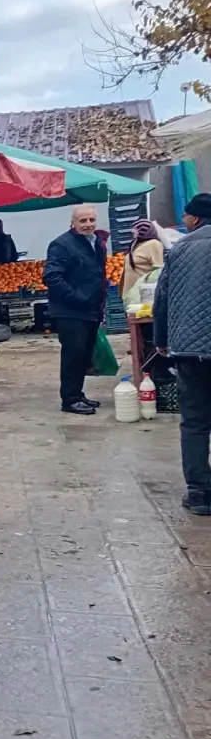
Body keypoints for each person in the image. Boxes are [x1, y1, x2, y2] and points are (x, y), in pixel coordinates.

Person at [154, 193, 211, 515]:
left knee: (195, 422)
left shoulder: (180, 249)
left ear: (194, 218)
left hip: (190, 351)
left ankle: (200, 493)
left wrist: (162, 341)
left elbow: (161, 299)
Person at [43, 205, 107, 415]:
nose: (88, 224)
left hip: (90, 309)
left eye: (91, 220)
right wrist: (76, 297)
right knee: (73, 354)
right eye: (83, 221)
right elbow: (52, 277)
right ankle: (69, 400)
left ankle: (78, 395)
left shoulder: (96, 242)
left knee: (83, 355)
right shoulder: (62, 245)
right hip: (69, 311)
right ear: (73, 223)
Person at [122, 219, 165, 298]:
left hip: (142, 294)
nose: (132, 231)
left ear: (143, 230)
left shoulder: (154, 244)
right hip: (130, 293)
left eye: (135, 228)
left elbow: (157, 272)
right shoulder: (135, 244)